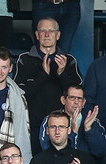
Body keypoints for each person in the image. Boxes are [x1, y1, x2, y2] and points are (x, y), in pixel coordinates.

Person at [13, 18, 83, 153]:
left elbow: (77, 97)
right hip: (31, 126)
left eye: (51, 31)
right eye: (43, 31)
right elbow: (19, 96)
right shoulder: (24, 59)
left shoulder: (69, 60)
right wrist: (43, 75)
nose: (46, 34)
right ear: (37, 35)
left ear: (58, 35)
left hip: (61, 129)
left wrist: (62, 74)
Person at [39, 85, 106, 158]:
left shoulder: (93, 121)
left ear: (83, 102)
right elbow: (47, 149)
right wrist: (72, 133)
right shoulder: (50, 119)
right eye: (72, 98)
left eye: (79, 99)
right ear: (63, 100)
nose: (76, 102)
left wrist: (89, 130)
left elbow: (103, 151)